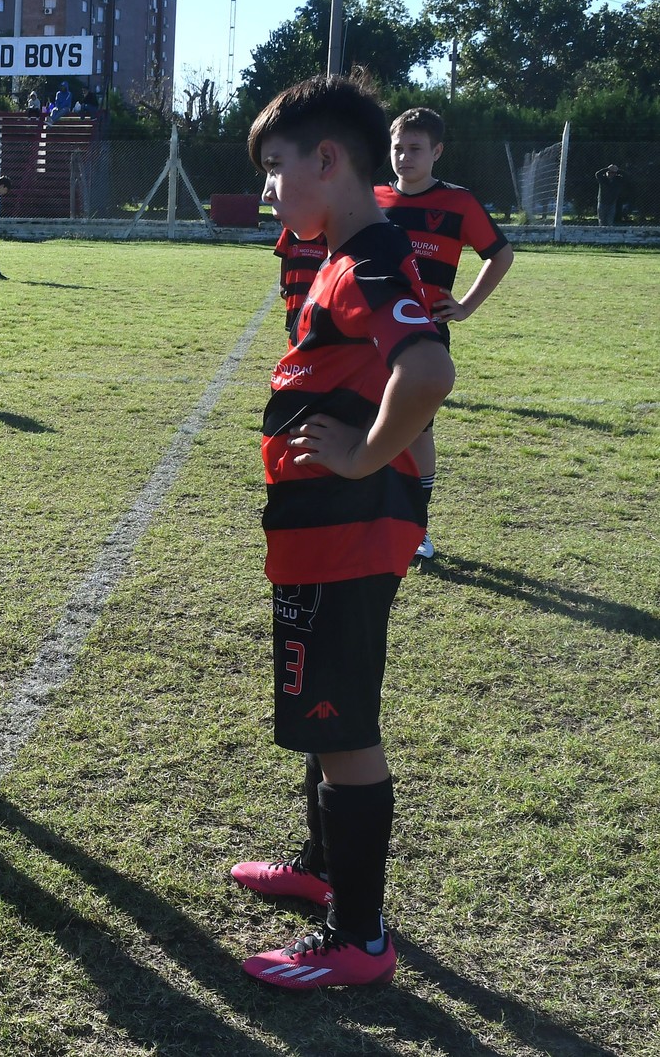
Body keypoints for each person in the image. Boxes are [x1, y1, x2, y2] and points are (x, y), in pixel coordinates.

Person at [234, 73, 455, 990]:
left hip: (348, 532)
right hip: (321, 533)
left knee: (342, 725)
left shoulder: (365, 258)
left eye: (277, 168)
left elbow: (428, 369)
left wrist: (366, 455)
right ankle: (323, 870)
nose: (270, 190)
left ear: (327, 161)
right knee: (322, 718)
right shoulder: (341, 248)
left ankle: (357, 939)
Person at [374, 107, 513, 560]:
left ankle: (416, 527)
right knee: (362, 424)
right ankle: (367, 521)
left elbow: (500, 255)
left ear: (436, 151)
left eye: (415, 148)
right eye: (398, 147)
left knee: (416, 432)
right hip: (367, 336)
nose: (404, 156)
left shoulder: (459, 202)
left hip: (422, 339)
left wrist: (466, 306)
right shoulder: (371, 198)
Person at [271, 226, 327, 333]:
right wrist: (282, 284)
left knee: (315, 334)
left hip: (318, 295)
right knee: (294, 335)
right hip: (295, 293)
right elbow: (284, 256)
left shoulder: (327, 230)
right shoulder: (291, 228)